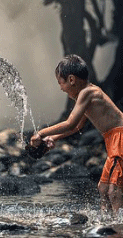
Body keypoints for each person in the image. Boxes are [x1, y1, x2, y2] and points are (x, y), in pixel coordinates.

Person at [30, 54, 123, 215]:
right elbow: (77, 127)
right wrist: (54, 137)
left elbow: (70, 122)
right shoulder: (85, 95)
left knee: (113, 190)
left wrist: (41, 133)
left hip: (120, 139)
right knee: (103, 187)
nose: (60, 88)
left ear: (71, 79)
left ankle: (119, 227)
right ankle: (106, 223)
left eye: (61, 83)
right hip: (113, 140)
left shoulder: (88, 92)